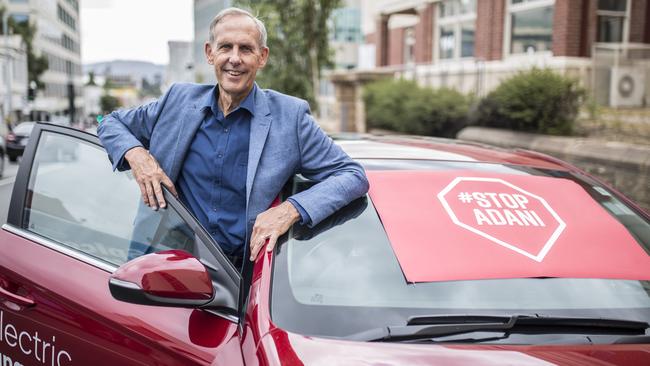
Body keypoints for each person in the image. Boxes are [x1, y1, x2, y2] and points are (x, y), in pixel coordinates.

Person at [97, 7, 369, 268]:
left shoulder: (291, 118)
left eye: (246, 49)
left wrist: (290, 210)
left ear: (262, 57)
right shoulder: (176, 100)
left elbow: (352, 175)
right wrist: (138, 155)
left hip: (239, 280)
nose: (235, 58)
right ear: (210, 53)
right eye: (226, 47)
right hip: (164, 265)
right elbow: (110, 122)